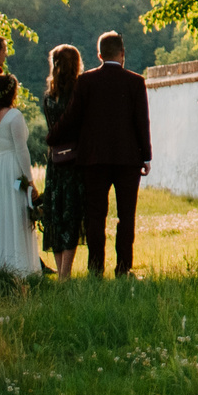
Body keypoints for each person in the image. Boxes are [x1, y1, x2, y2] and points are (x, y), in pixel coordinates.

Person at [52, 30, 151, 277]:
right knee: (126, 215)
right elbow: (142, 122)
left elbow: (72, 118)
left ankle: (95, 268)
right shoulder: (135, 82)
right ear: (123, 54)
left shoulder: (86, 81)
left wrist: (52, 138)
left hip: (93, 159)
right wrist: (146, 156)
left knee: (95, 215)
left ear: (99, 54)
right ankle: (123, 267)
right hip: (128, 159)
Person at [35, 44, 88, 279]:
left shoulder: (49, 97)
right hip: (75, 162)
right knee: (72, 214)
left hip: (55, 161)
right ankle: (66, 271)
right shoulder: (79, 93)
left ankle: (61, 273)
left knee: (56, 214)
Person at [0, 72, 44, 276]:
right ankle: (20, 266)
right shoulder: (14, 116)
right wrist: (30, 180)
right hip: (12, 171)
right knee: (16, 213)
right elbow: (21, 151)